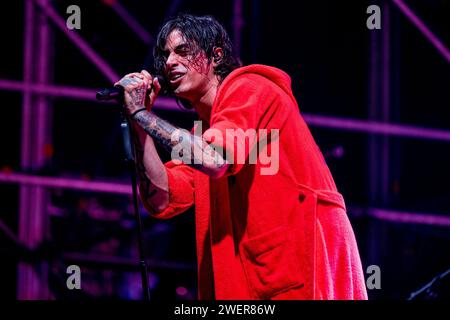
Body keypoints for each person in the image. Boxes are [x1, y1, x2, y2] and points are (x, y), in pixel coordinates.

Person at [115, 14, 368, 300]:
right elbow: (161, 198)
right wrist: (139, 126)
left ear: (215, 56)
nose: (170, 62)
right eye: (165, 55)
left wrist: (141, 114)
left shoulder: (249, 88)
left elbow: (215, 159)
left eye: (182, 51)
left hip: (298, 273)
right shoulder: (209, 133)